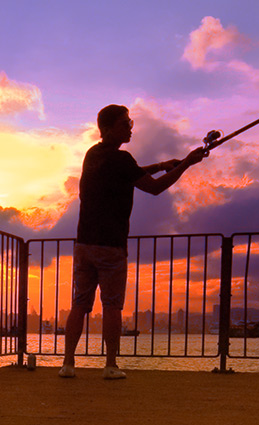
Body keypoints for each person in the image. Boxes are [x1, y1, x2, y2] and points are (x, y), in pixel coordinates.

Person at [61, 104, 209, 379]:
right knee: (112, 306)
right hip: (111, 246)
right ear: (108, 130)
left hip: (83, 244)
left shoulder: (93, 155)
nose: (130, 127)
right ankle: (111, 365)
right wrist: (187, 163)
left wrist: (161, 165)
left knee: (80, 304)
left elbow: (131, 172)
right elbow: (154, 188)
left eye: (130, 122)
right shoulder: (122, 159)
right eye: (124, 123)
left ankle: (68, 364)